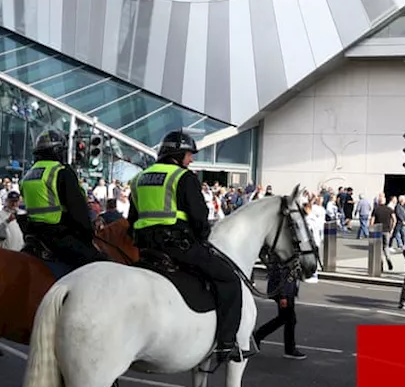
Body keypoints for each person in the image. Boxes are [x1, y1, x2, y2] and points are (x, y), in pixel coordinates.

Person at [129, 130, 249, 361]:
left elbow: (131, 219)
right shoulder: (182, 177)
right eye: (188, 155)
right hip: (178, 247)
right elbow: (199, 216)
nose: (191, 159)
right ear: (176, 155)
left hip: (145, 249)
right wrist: (202, 236)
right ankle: (226, 343)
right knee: (229, 279)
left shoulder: (139, 179)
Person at [19, 130, 105, 271]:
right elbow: (77, 210)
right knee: (99, 264)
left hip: (32, 234)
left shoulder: (27, 175)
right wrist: (88, 234)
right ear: (58, 151)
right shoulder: (61, 171)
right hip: (59, 235)